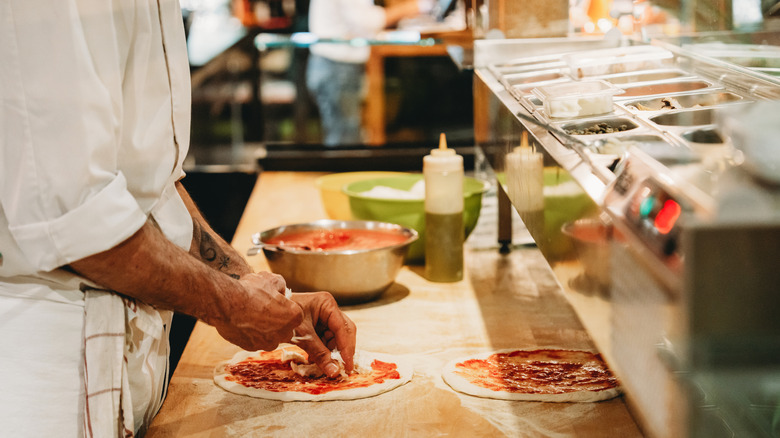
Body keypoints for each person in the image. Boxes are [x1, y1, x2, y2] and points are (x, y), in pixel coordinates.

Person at [0, 1, 355, 436]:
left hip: (127, 361)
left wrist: (250, 285)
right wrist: (233, 305)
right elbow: (80, 223)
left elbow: (151, 186)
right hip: (50, 383)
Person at [306, 0, 425, 146]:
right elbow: (366, 20)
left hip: (335, 65)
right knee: (344, 140)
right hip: (336, 65)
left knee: (345, 136)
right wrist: (415, 7)